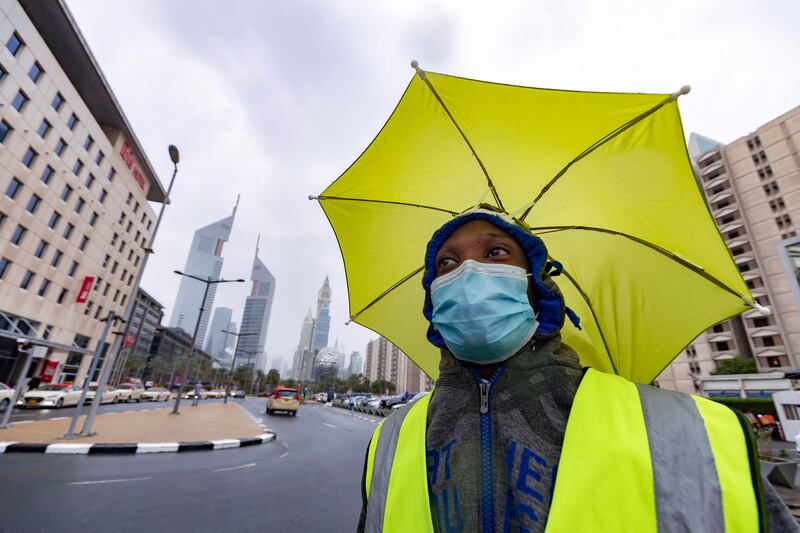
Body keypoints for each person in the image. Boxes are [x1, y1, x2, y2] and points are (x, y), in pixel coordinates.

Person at [358, 210, 798, 532]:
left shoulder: (691, 433)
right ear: (433, 304)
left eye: (496, 252)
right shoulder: (391, 440)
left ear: (538, 287)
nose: (470, 272)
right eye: (447, 264)